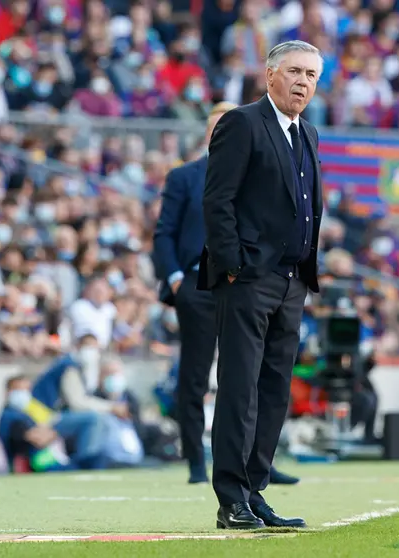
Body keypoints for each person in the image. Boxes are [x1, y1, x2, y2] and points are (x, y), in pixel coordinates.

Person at [198, 40, 323, 530]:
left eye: (311, 75)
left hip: (292, 281)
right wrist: (233, 267)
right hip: (249, 279)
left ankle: (255, 491)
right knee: (239, 389)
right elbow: (218, 200)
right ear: (269, 74)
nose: (303, 82)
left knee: (274, 391)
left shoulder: (308, 132)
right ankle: (231, 498)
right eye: (294, 71)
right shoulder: (242, 123)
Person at [153, 102, 301, 486]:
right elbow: (164, 232)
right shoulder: (184, 177)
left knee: (253, 374)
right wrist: (174, 279)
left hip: (249, 284)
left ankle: (257, 464)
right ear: (208, 133)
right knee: (196, 376)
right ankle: (195, 463)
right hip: (197, 284)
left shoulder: (259, 174)